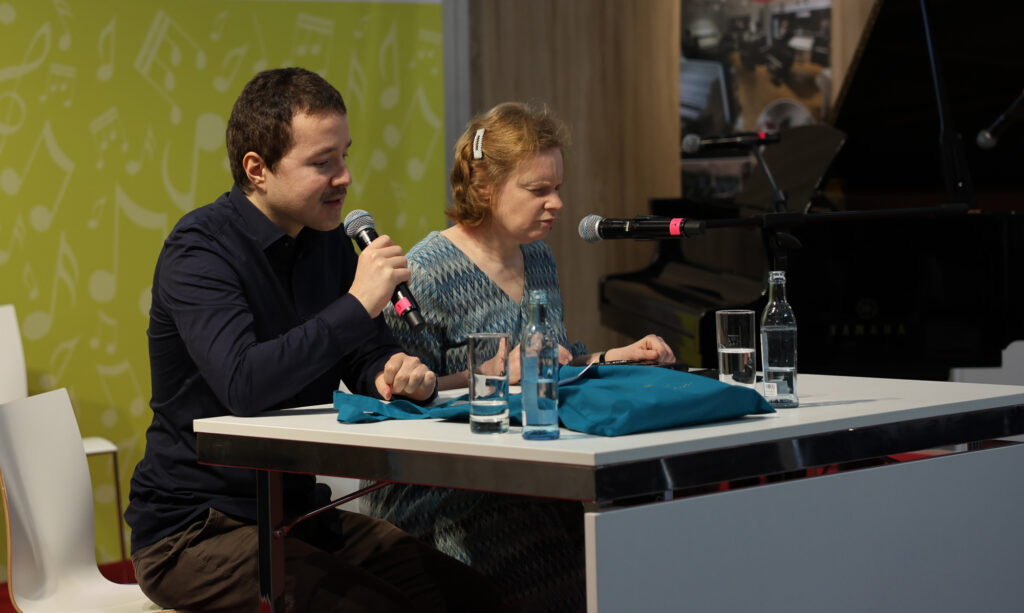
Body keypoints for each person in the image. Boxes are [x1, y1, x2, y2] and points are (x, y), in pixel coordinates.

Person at [125, 67, 507, 612]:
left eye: (345, 155)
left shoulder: (326, 239)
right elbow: (244, 385)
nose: (345, 176)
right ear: (257, 169)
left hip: (297, 516)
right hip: (194, 531)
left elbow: (362, 354)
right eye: (322, 162)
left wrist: (391, 371)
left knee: (476, 599)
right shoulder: (199, 251)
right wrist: (358, 303)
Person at [364, 102, 675, 612]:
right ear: (485, 187)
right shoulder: (425, 273)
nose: (555, 204)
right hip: (444, 491)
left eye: (557, 189)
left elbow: (549, 360)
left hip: (528, 467)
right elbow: (399, 398)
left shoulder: (539, 257)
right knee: (551, 557)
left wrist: (614, 356)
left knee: (631, 527)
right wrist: (481, 376)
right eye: (538, 190)